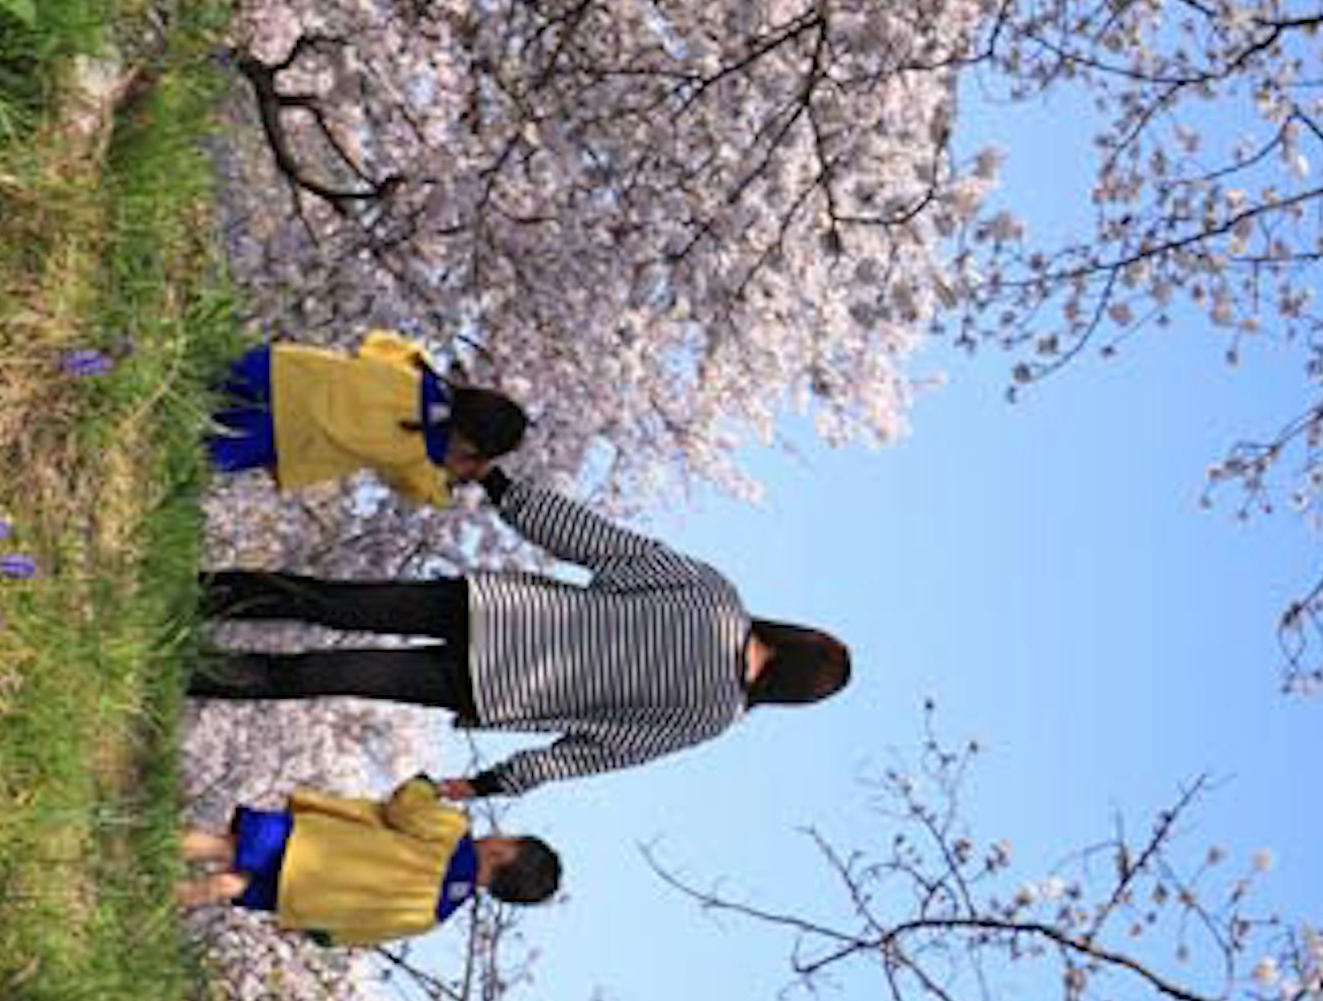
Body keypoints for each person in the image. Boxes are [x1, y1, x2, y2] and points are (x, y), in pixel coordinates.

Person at [192, 460, 849, 802]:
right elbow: (592, 753)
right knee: (314, 678)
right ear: (790, 693)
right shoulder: (708, 717)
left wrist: (503, 489)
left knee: (330, 603)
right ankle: (187, 669)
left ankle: (200, 596)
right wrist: (489, 786)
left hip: (494, 610)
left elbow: (596, 542)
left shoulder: (714, 596)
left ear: (796, 635)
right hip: (489, 686)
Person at [183, 776, 561, 945]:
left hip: (319, 847)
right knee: (233, 884)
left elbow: (404, 807)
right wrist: (320, 931)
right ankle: (169, 893)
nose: (497, 835)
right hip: (308, 898)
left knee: (227, 847)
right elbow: (364, 933)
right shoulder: (434, 915)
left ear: (503, 851)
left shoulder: (453, 833)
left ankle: (148, 845)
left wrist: (433, 787)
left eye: (507, 838)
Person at [206, 332, 527, 507]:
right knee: (183, 449)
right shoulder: (418, 459)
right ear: (474, 447)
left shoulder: (418, 369)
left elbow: (376, 343)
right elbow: (431, 496)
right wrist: (477, 474)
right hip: (285, 434)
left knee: (189, 377)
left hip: (283, 370)